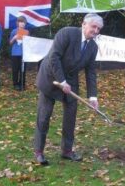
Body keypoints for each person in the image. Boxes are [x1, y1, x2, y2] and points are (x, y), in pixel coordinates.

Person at [34, 13, 103, 165]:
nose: (96, 31)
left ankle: (67, 150)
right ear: (84, 24)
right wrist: (62, 81)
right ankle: (39, 151)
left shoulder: (92, 47)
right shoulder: (67, 33)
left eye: (98, 28)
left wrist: (93, 97)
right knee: (44, 116)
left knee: (70, 116)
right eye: (93, 27)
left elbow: (90, 72)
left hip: (71, 81)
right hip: (51, 78)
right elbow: (54, 58)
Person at [9, 16, 29, 91]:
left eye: (24, 22)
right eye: (21, 22)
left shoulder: (27, 32)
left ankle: (22, 84)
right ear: (18, 23)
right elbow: (10, 43)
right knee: (15, 69)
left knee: (22, 70)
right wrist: (14, 37)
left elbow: (28, 43)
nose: (22, 24)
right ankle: (15, 84)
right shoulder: (14, 31)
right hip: (15, 53)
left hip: (24, 54)